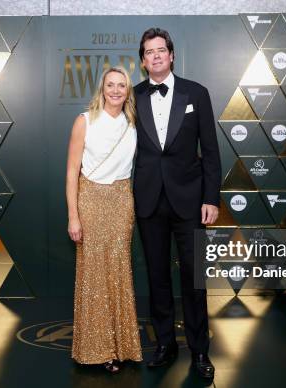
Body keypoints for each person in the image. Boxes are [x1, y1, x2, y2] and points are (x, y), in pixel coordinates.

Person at [133, 28, 221, 380]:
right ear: (143, 60)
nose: (155, 56)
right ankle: (165, 344)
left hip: (190, 201)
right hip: (149, 201)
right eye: (149, 52)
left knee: (194, 279)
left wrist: (211, 198)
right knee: (157, 278)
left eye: (161, 50)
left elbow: (211, 152)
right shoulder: (133, 96)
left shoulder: (196, 93)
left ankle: (199, 351)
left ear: (171, 55)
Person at [66, 66, 142, 373]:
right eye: (110, 85)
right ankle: (96, 350)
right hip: (90, 200)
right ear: (102, 88)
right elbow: (72, 171)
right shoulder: (85, 121)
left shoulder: (135, 123)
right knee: (93, 276)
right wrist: (74, 215)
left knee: (119, 269)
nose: (115, 90)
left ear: (127, 91)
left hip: (122, 200)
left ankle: (123, 346)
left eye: (121, 85)